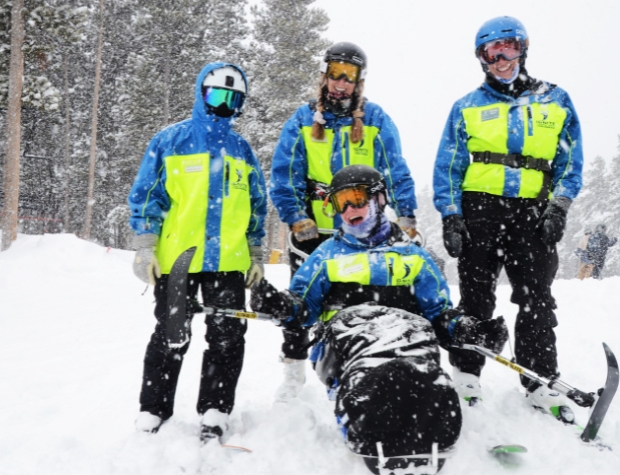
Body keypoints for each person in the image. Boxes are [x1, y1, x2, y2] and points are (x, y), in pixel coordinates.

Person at [251, 165, 508, 474]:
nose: (347, 210)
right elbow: (301, 309)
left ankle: (430, 411)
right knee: (378, 378)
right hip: (348, 340)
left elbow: (438, 314)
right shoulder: (326, 256)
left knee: (418, 374)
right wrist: (279, 304)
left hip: (408, 334)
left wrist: (467, 330)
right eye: (339, 202)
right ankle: (370, 414)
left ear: (380, 199)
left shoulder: (413, 256)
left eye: (355, 198)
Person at [433, 16, 584, 420]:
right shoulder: (467, 106)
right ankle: (467, 373)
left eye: (509, 48)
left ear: (523, 48)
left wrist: (559, 205)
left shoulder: (555, 99)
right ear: (482, 58)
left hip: (532, 212)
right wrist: (450, 215)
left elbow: (571, 160)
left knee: (537, 298)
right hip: (480, 209)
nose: (502, 59)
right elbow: (448, 165)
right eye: (492, 52)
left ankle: (539, 380)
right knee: (476, 296)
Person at [269, 42, 418, 401]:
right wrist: (296, 217)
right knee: (301, 304)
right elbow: (284, 176)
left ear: (359, 81)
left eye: (348, 76)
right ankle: (293, 374)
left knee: (359, 303)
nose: (340, 83)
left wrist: (407, 216)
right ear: (324, 75)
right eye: (334, 72)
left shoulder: (376, 121)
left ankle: (360, 370)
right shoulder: (303, 121)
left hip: (361, 233)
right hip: (313, 232)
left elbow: (395, 170)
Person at [127, 62, 267, 441]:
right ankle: (153, 408)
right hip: (179, 259)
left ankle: (216, 408)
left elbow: (256, 205)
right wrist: (145, 244)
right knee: (172, 333)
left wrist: (256, 251)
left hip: (229, 261)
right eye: (216, 95)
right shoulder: (171, 141)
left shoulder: (242, 150)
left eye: (232, 98)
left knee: (227, 337)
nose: (222, 104)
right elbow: (147, 196)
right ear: (201, 93)